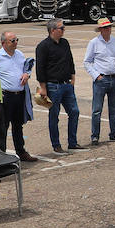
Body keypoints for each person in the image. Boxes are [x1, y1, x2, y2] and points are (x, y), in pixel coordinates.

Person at [35, 19, 83, 153]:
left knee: (74, 112)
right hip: (53, 86)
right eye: (61, 28)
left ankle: (72, 142)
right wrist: (43, 87)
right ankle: (56, 145)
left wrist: (73, 76)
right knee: (54, 115)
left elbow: (70, 60)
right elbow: (40, 68)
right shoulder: (43, 46)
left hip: (67, 84)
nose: (64, 30)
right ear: (52, 30)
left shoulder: (64, 43)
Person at [0, 31, 37, 162]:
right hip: (6, 96)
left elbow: (25, 69)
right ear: (3, 43)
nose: (16, 42)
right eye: (13, 41)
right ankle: (1, 154)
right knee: (3, 126)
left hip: (19, 95)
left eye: (17, 40)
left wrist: (27, 74)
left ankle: (21, 151)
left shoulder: (19, 54)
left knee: (18, 125)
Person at [83, 18, 115, 144]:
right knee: (97, 109)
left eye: (109, 27)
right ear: (100, 30)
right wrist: (96, 76)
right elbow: (87, 62)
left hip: (114, 78)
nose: (108, 29)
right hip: (101, 79)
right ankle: (95, 135)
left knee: (114, 109)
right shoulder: (94, 43)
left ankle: (114, 133)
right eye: (106, 28)